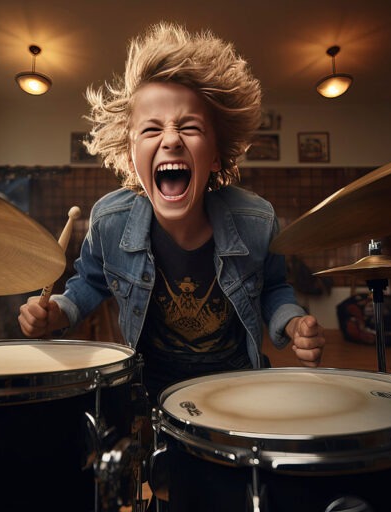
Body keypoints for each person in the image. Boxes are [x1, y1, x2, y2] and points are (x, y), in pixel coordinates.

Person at [18, 22, 325, 405]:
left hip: (237, 385)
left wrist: (293, 322)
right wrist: (56, 312)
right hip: (149, 389)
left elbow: (274, 289)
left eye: (189, 127)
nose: (171, 139)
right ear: (131, 157)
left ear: (215, 155)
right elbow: (89, 285)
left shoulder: (257, 221)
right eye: (151, 130)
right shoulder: (108, 221)